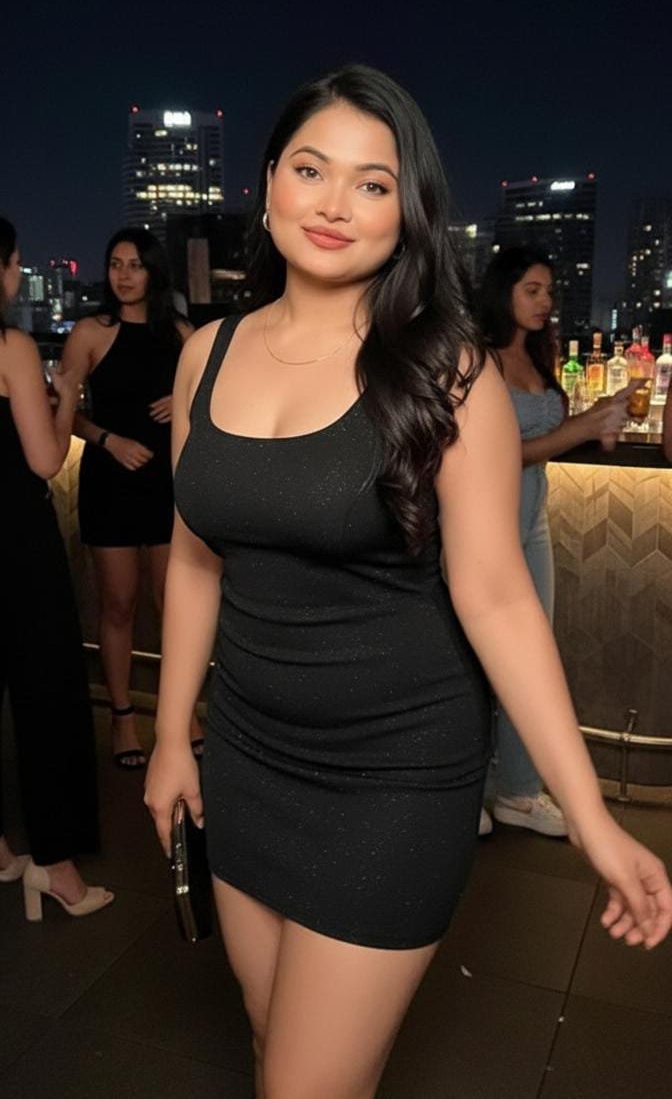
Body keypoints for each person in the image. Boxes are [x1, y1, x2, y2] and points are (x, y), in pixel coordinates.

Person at [144, 67, 672, 1099]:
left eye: (373, 183)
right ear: (269, 180)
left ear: (409, 211)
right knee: (270, 1036)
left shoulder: (448, 372)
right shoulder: (206, 354)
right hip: (246, 753)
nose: (335, 203)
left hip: (394, 773)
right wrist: (170, 737)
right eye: (311, 169)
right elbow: (197, 557)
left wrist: (591, 818)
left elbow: (499, 597)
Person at [475, 248, 633, 838]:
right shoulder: (475, 359)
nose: (545, 301)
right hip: (479, 528)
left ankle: (517, 792)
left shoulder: (538, 356)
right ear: (504, 292)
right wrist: (578, 429)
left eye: (549, 291)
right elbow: (486, 455)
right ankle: (466, 791)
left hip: (531, 524)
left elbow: (548, 438)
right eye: (532, 290)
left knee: (531, 661)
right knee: (473, 666)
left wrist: (602, 418)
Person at [0, 215, 113, 920]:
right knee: (47, 694)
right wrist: (66, 390)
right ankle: (56, 866)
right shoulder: (10, 345)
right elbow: (45, 459)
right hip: (14, 540)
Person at [62, 229, 202, 769]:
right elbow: (64, 411)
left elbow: (214, 401)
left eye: (135, 265)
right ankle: (123, 717)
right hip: (111, 480)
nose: (123, 275)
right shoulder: (90, 332)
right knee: (118, 605)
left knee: (174, 606)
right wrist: (108, 440)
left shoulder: (182, 334)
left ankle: (179, 715)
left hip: (167, 484)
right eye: (115, 263)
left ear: (154, 271)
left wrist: (182, 401)